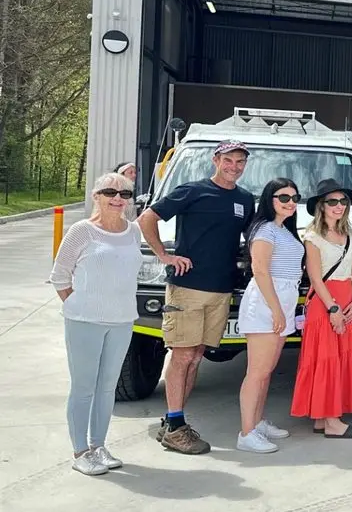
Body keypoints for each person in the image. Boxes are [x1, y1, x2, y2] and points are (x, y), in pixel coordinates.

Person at [137, 139, 254, 456]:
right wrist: (165, 256)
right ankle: (175, 428)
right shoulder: (192, 190)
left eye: (240, 161)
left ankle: (172, 422)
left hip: (220, 289)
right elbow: (147, 218)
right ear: (216, 160)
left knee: (197, 356)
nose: (234, 167)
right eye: (228, 160)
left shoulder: (245, 199)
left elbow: (250, 238)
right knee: (183, 356)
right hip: (188, 288)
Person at [50, 173, 143, 476]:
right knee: (83, 388)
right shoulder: (82, 231)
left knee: (107, 388)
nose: (118, 199)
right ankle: (80, 452)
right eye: (110, 192)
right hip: (84, 321)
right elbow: (60, 275)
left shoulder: (133, 232)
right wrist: (76, 303)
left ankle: (98, 446)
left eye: (125, 194)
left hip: (122, 320)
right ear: (96, 196)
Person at [291, 179, 352, 440]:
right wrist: (333, 309)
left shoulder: (348, 235)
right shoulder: (313, 237)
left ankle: (323, 418)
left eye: (343, 201)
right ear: (321, 206)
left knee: (341, 358)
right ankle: (332, 421)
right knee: (326, 360)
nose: (339, 206)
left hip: (348, 301)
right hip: (326, 304)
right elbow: (315, 277)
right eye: (332, 202)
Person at [235, 179, 304, 453]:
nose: (290, 202)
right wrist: (276, 309)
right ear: (269, 199)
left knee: (266, 372)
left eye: (294, 197)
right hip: (266, 303)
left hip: (283, 301)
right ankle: (246, 432)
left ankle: (257, 421)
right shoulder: (264, 230)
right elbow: (260, 270)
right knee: (256, 372)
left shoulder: (284, 230)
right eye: (283, 197)